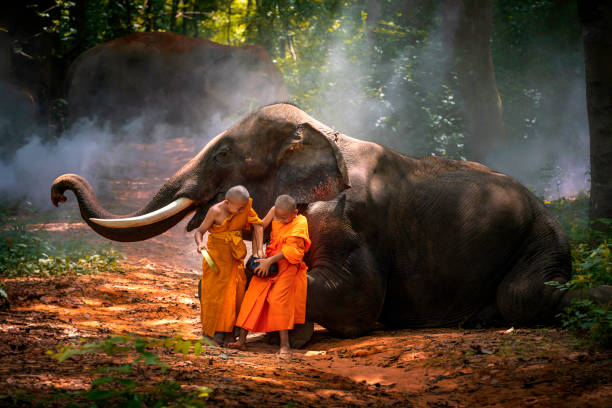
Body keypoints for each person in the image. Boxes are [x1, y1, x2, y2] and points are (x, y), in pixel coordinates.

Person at [229, 194, 311, 356]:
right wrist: (258, 254)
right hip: (268, 262)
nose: (280, 221)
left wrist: (269, 261)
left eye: (284, 218)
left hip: (288, 265)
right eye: (278, 217)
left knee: (278, 300)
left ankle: (284, 345)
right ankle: (241, 341)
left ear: (294, 213)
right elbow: (259, 227)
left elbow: (292, 250)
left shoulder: (301, 222)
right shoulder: (275, 211)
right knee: (253, 295)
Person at [194, 185, 264, 347]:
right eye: (238, 209)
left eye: (243, 208)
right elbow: (200, 231)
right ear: (227, 202)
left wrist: (259, 251)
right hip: (216, 259)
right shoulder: (215, 211)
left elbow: (258, 225)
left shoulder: (245, 207)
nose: (241, 212)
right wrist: (200, 244)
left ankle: (229, 334)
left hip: (234, 258)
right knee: (214, 296)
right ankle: (211, 333)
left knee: (235, 295)